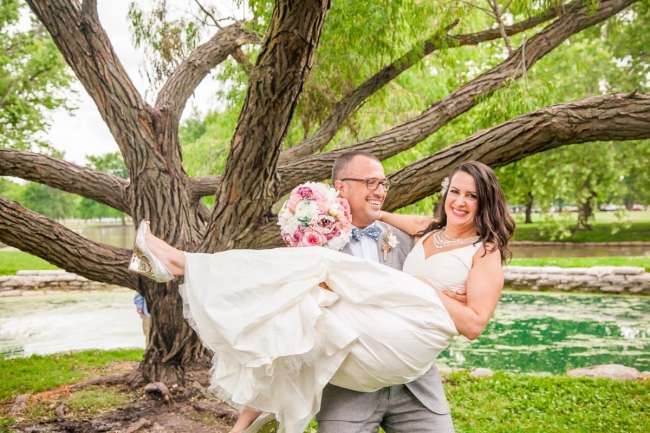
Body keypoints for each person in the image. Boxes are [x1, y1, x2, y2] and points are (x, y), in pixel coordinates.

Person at [129, 158, 514, 433]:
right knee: (299, 304)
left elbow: (475, 323)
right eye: (455, 192)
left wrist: (427, 289)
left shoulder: (485, 251)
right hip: (377, 337)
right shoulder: (429, 229)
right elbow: (386, 217)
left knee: (317, 268)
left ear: (486, 202)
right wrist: (348, 210)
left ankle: (182, 265)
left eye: (472, 196)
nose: (460, 202)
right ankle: (256, 408)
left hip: (412, 347)